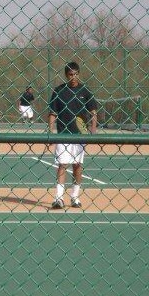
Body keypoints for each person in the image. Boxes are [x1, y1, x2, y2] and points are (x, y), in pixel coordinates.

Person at [48, 62, 97, 209]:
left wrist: (93, 131)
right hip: (63, 135)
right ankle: (59, 198)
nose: (73, 77)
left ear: (79, 74)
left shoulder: (85, 91)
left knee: (77, 166)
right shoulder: (58, 91)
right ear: (66, 75)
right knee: (62, 165)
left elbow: (93, 112)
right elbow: (52, 113)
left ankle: (75, 197)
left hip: (79, 136)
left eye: (76, 74)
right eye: (71, 74)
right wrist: (51, 132)